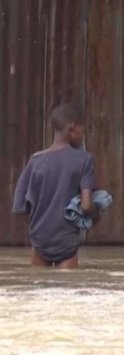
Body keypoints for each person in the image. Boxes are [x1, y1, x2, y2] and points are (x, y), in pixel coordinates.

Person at [11, 103, 100, 268]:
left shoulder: (35, 160)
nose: (83, 136)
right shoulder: (84, 160)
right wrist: (96, 216)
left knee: (38, 288)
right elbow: (87, 205)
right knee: (66, 290)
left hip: (39, 241)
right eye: (82, 130)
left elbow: (20, 208)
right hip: (66, 243)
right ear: (72, 127)